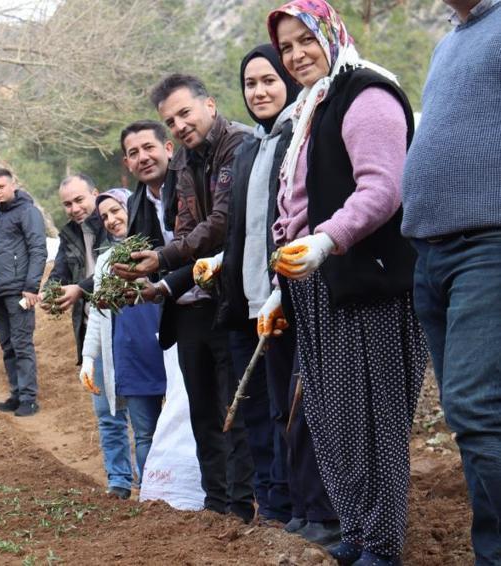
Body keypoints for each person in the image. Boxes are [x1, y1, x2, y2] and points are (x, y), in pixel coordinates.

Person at [264, 2, 428, 563]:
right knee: (333, 421)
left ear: (331, 34)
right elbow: (296, 207)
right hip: (316, 286)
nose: (295, 55)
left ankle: (380, 546)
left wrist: (326, 242)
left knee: (374, 422)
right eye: (285, 48)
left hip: (366, 286)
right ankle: (357, 535)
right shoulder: (314, 107)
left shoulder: (367, 95)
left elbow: (384, 189)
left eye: (304, 40)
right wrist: (279, 286)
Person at [115, 74, 256, 521]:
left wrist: (160, 261)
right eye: (171, 119)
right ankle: (216, 503)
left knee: (235, 407)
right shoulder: (185, 166)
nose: (179, 124)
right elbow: (187, 231)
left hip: (230, 299)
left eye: (184, 113)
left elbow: (219, 224)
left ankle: (242, 503)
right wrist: (164, 284)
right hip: (189, 303)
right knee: (202, 413)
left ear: (209, 105)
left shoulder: (239, 146)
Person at [217, 44, 339, 540]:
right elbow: (242, 228)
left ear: (286, 83)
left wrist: (279, 285)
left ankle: (318, 512)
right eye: (250, 83)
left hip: (291, 292)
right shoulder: (249, 146)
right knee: (265, 410)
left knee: (300, 407)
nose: (259, 91)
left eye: (268, 80)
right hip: (249, 298)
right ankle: (278, 507)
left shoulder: (300, 132)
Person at [401, 1, 501, 562]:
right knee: (477, 424)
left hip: (487, 245)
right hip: (432, 253)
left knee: (474, 410)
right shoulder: (449, 44)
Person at [43, 173, 133, 499]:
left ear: (95, 194)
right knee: (107, 414)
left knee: (142, 412)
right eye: (67, 203)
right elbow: (60, 273)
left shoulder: (115, 220)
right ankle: (120, 481)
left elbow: (111, 268)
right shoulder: (68, 235)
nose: (75, 208)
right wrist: (50, 293)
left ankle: (153, 478)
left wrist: (80, 289)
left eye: (80, 200)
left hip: (127, 326)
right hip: (91, 330)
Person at [80, 188, 166, 482]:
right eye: (104, 216)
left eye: (116, 210)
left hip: (166, 348)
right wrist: (88, 358)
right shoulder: (107, 262)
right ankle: (152, 494)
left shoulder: (160, 248)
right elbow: (98, 316)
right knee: (144, 434)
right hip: (131, 355)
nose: (111, 220)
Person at [0, 168, 46, 417]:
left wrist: (32, 287)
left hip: (19, 291)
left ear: (13, 185)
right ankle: (16, 395)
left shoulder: (28, 212)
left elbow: (38, 249)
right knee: (7, 345)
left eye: (1, 186)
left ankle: (29, 399)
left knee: (22, 344)